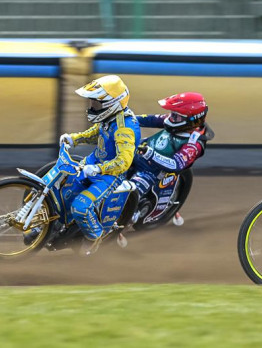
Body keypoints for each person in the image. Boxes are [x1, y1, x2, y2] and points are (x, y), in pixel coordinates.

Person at [58, 75, 140, 254]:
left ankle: (94, 236)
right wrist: (74, 139)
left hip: (110, 176)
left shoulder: (124, 128)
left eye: (95, 103)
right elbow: (97, 132)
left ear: (112, 103)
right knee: (64, 189)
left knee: (80, 207)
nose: (91, 106)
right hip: (92, 163)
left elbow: (124, 162)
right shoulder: (110, 117)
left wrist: (98, 169)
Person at [130, 93, 213, 223]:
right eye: (172, 113)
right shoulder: (177, 121)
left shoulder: (194, 144)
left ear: (192, 119)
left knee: (130, 191)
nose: (170, 118)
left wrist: (150, 154)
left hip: (154, 170)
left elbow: (175, 164)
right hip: (141, 151)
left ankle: (127, 217)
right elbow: (150, 119)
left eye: (176, 115)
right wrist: (126, 118)